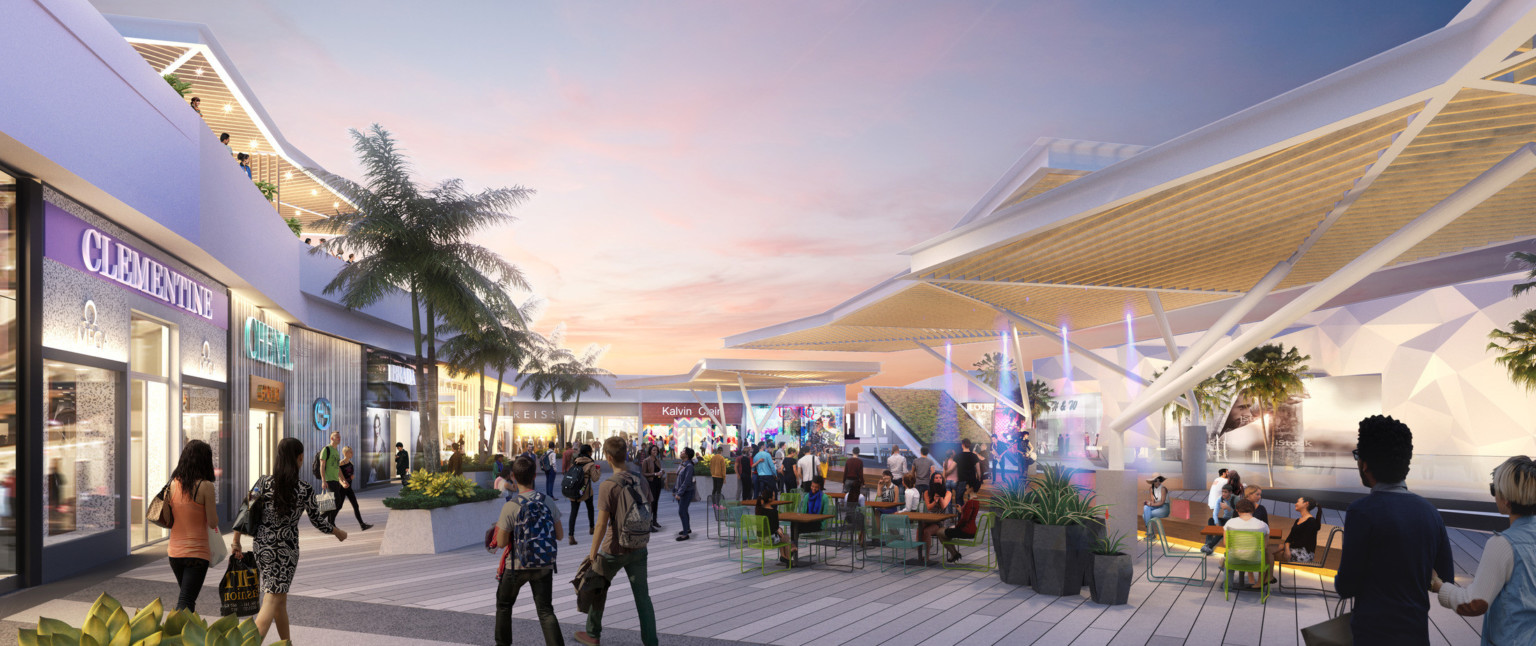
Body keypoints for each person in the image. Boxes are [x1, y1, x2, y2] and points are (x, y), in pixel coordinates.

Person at [1334, 415, 1454, 646]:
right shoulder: (1430, 512)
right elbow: (1445, 578)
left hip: (1372, 635)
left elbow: (1346, 586)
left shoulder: (1361, 512)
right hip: (1416, 634)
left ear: (1365, 463)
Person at [231, 438, 347, 642]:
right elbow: (317, 521)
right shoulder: (304, 488)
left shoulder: (263, 482)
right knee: (272, 598)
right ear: (300, 458)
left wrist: (236, 541)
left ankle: (287, 643)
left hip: (263, 547)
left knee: (279, 599)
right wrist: (337, 531)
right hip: (286, 551)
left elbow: (245, 509)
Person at [1431, 455, 1536, 643]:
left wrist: (1439, 586)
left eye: (1494, 489)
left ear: (1506, 500)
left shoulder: (1502, 545)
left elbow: (1474, 603)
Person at [578, 436, 658, 646]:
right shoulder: (640, 479)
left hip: (613, 549)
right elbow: (649, 508)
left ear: (608, 458)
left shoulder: (608, 485)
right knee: (643, 598)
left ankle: (592, 634)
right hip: (640, 546)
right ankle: (651, 642)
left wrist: (593, 553)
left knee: (598, 587)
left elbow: (602, 525)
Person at [494, 456, 564, 646]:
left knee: (504, 604)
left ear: (513, 477)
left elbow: (500, 543)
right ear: (534, 475)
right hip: (544, 563)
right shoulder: (547, 501)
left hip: (517, 566)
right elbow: (560, 535)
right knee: (545, 610)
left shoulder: (510, 506)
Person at [166, 439, 219, 612]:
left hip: (174, 553)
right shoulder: (206, 486)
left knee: (188, 598)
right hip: (196, 554)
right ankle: (175, 635)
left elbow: (168, 519)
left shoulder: (172, 484)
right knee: (186, 601)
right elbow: (213, 522)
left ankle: (188, 634)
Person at [1271, 496, 1322, 580]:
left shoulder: (1311, 522)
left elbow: (1302, 542)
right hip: (1294, 548)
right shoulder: (1298, 520)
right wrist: (1286, 546)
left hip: (1304, 554)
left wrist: (1285, 547)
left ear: (1306, 504)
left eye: (1298, 502)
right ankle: (1267, 578)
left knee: (1269, 554)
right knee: (1269, 549)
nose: (1295, 504)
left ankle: (1266, 579)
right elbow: (1290, 538)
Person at [1224, 498, 1270, 588]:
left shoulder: (1230, 523)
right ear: (1253, 510)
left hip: (1234, 560)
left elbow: (1226, 544)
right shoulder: (1262, 525)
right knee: (1265, 556)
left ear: (1237, 510)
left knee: (1226, 558)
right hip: (1255, 561)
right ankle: (1260, 584)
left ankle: (1227, 586)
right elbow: (1264, 546)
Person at [914, 473, 954, 564]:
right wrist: (935, 501)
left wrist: (939, 497)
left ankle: (927, 557)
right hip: (929, 518)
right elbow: (928, 507)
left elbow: (944, 506)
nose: (938, 479)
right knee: (919, 528)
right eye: (936, 478)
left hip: (940, 522)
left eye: (940, 478)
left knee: (927, 531)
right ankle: (919, 553)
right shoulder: (927, 492)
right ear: (932, 480)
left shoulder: (948, 493)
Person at [753, 489, 797, 566]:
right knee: (785, 537)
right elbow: (775, 528)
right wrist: (780, 530)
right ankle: (787, 559)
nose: (775, 496)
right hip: (769, 541)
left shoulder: (759, 509)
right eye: (773, 495)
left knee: (781, 535)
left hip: (760, 539)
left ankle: (784, 556)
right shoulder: (773, 512)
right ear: (770, 499)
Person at [334, 446, 372, 530]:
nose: (352, 453)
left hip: (349, 488)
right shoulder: (341, 463)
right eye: (350, 452)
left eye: (352, 451)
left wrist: (351, 477)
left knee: (355, 505)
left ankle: (362, 525)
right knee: (339, 506)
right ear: (345, 453)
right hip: (342, 488)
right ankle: (329, 521)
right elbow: (338, 476)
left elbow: (350, 474)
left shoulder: (351, 463)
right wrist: (346, 480)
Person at [568, 444, 600, 546]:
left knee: (573, 513)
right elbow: (595, 479)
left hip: (574, 490)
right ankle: (591, 528)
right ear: (589, 452)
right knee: (590, 508)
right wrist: (598, 470)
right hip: (586, 490)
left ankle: (571, 536)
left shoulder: (575, 461)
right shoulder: (590, 463)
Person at [675, 447, 697, 541]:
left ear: (687, 455)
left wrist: (679, 493)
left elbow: (687, 481)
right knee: (684, 510)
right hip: (681, 491)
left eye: (683, 452)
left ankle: (685, 534)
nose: (681, 452)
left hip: (686, 492)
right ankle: (687, 529)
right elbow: (678, 477)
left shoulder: (689, 466)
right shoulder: (683, 464)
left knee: (682, 511)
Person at [641, 446, 664, 532]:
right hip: (650, 483)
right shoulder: (646, 461)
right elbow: (643, 473)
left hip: (658, 483)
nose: (656, 451)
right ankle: (649, 524)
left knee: (656, 502)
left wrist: (661, 472)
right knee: (651, 503)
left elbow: (659, 470)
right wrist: (654, 474)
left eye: (657, 450)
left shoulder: (657, 460)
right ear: (650, 451)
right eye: (654, 450)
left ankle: (654, 521)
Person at [1142, 474, 1170, 541]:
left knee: (1145, 515)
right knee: (1146, 507)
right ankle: (1151, 533)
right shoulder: (1151, 489)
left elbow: (1162, 502)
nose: (1158, 481)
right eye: (1155, 480)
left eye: (1159, 480)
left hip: (1164, 508)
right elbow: (1153, 501)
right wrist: (1149, 503)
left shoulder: (1163, 489)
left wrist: (1151, 504)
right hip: (1156, 506)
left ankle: (1151, 534)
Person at [954, 439, 982, 506]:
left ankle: (961, 514)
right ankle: (969, 514)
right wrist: (979, 478)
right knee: (971, 498)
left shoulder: (958, 456)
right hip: (972, 480)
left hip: (962, 480)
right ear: (969, 445)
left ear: (962, 445)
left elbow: (952, 468)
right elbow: (978, 471)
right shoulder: (974, 456)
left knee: (959, 497)